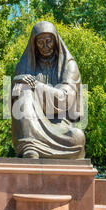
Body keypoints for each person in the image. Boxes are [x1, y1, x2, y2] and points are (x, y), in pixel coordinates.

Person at [12, 21, 85, 159]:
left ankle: (34, 146)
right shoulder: (24, 66)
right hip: (32, 124)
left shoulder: (69, 66)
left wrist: (36, 85)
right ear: (34, 44)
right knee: (23, 89)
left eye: (49, 41)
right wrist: (19, 82)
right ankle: (30, 146)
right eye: (40, 42)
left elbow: (64, 99)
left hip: (60, 127)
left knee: (77, 137)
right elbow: (16, 102)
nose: (45, 46)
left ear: (56, 41)